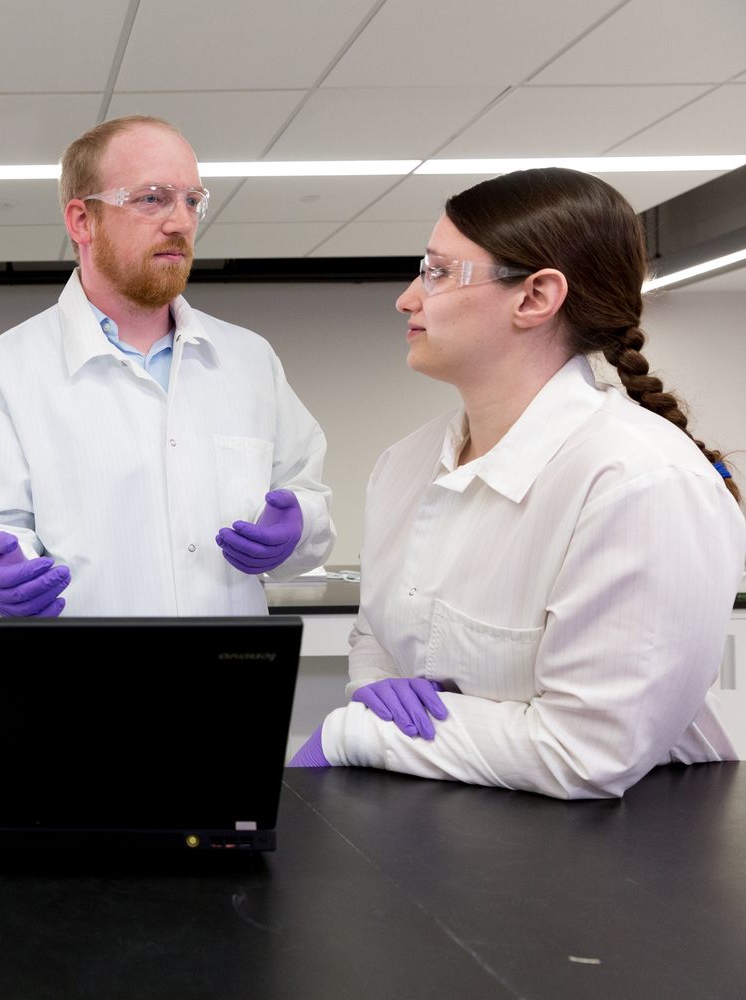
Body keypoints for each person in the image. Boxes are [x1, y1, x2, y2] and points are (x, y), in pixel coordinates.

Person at [289, 167, 746, 799]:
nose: (407, 298)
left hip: (617, 842)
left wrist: (358, 732)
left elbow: (588, 752)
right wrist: (376, 688)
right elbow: (378, 635)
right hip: (443, 818)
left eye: (438, 272)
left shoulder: (640, 482)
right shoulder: (404, 464)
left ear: (534, 298)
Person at [0, 116, 334, 618]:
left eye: (192, 200)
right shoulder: (7, 371)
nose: (181, 222)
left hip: (228, 665)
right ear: (82, 221)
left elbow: (305, 494)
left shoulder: (250, 360)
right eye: (152, 198)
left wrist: (300, 524)